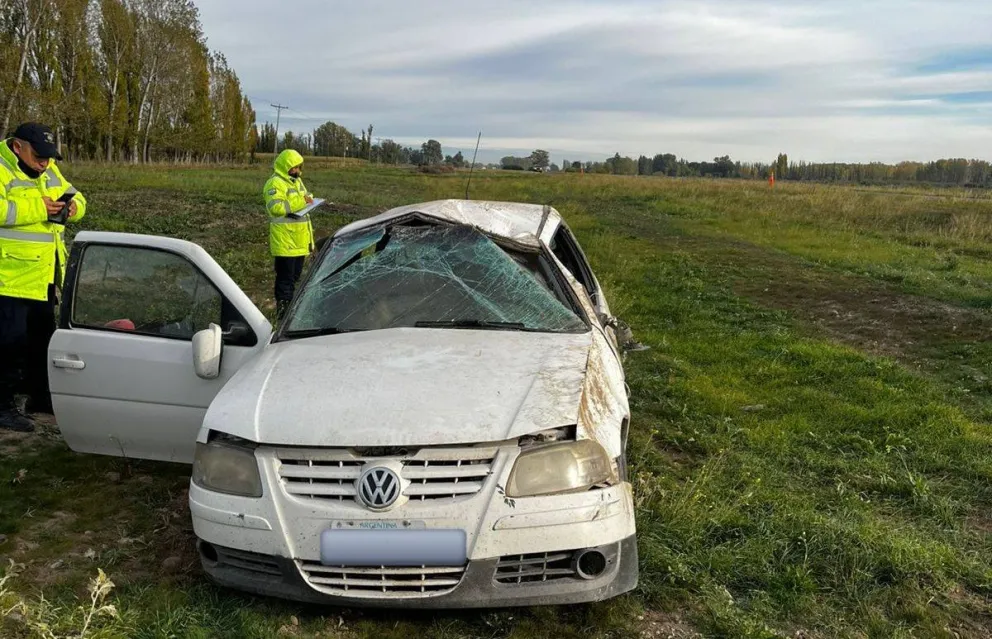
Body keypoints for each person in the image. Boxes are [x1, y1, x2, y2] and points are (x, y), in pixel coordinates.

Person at [0, 122, 87, 431]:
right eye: (39, 157)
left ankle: (40, 398)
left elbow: (78, 197)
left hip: (43, 275)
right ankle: (3, 407)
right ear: (17, 147)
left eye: (49, 157)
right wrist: (39, 208)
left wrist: (73, 209)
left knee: (42, 342)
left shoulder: (49, 170)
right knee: (8, 345)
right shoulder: (2, 169)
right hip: (8, 278)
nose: (45, 163)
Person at [263, 149, 315, 320]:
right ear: (286, 166)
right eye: (294, 167)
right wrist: (302, 201)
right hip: (285, 240)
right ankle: (283, 314)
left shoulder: (297, 181)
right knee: (285, 280)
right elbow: (276, 207)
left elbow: (304, 197)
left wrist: (309, 199)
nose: (298, 171)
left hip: (299, 240)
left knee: (294, 277)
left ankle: (291, 311)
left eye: (299, 167)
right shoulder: (275, 183)